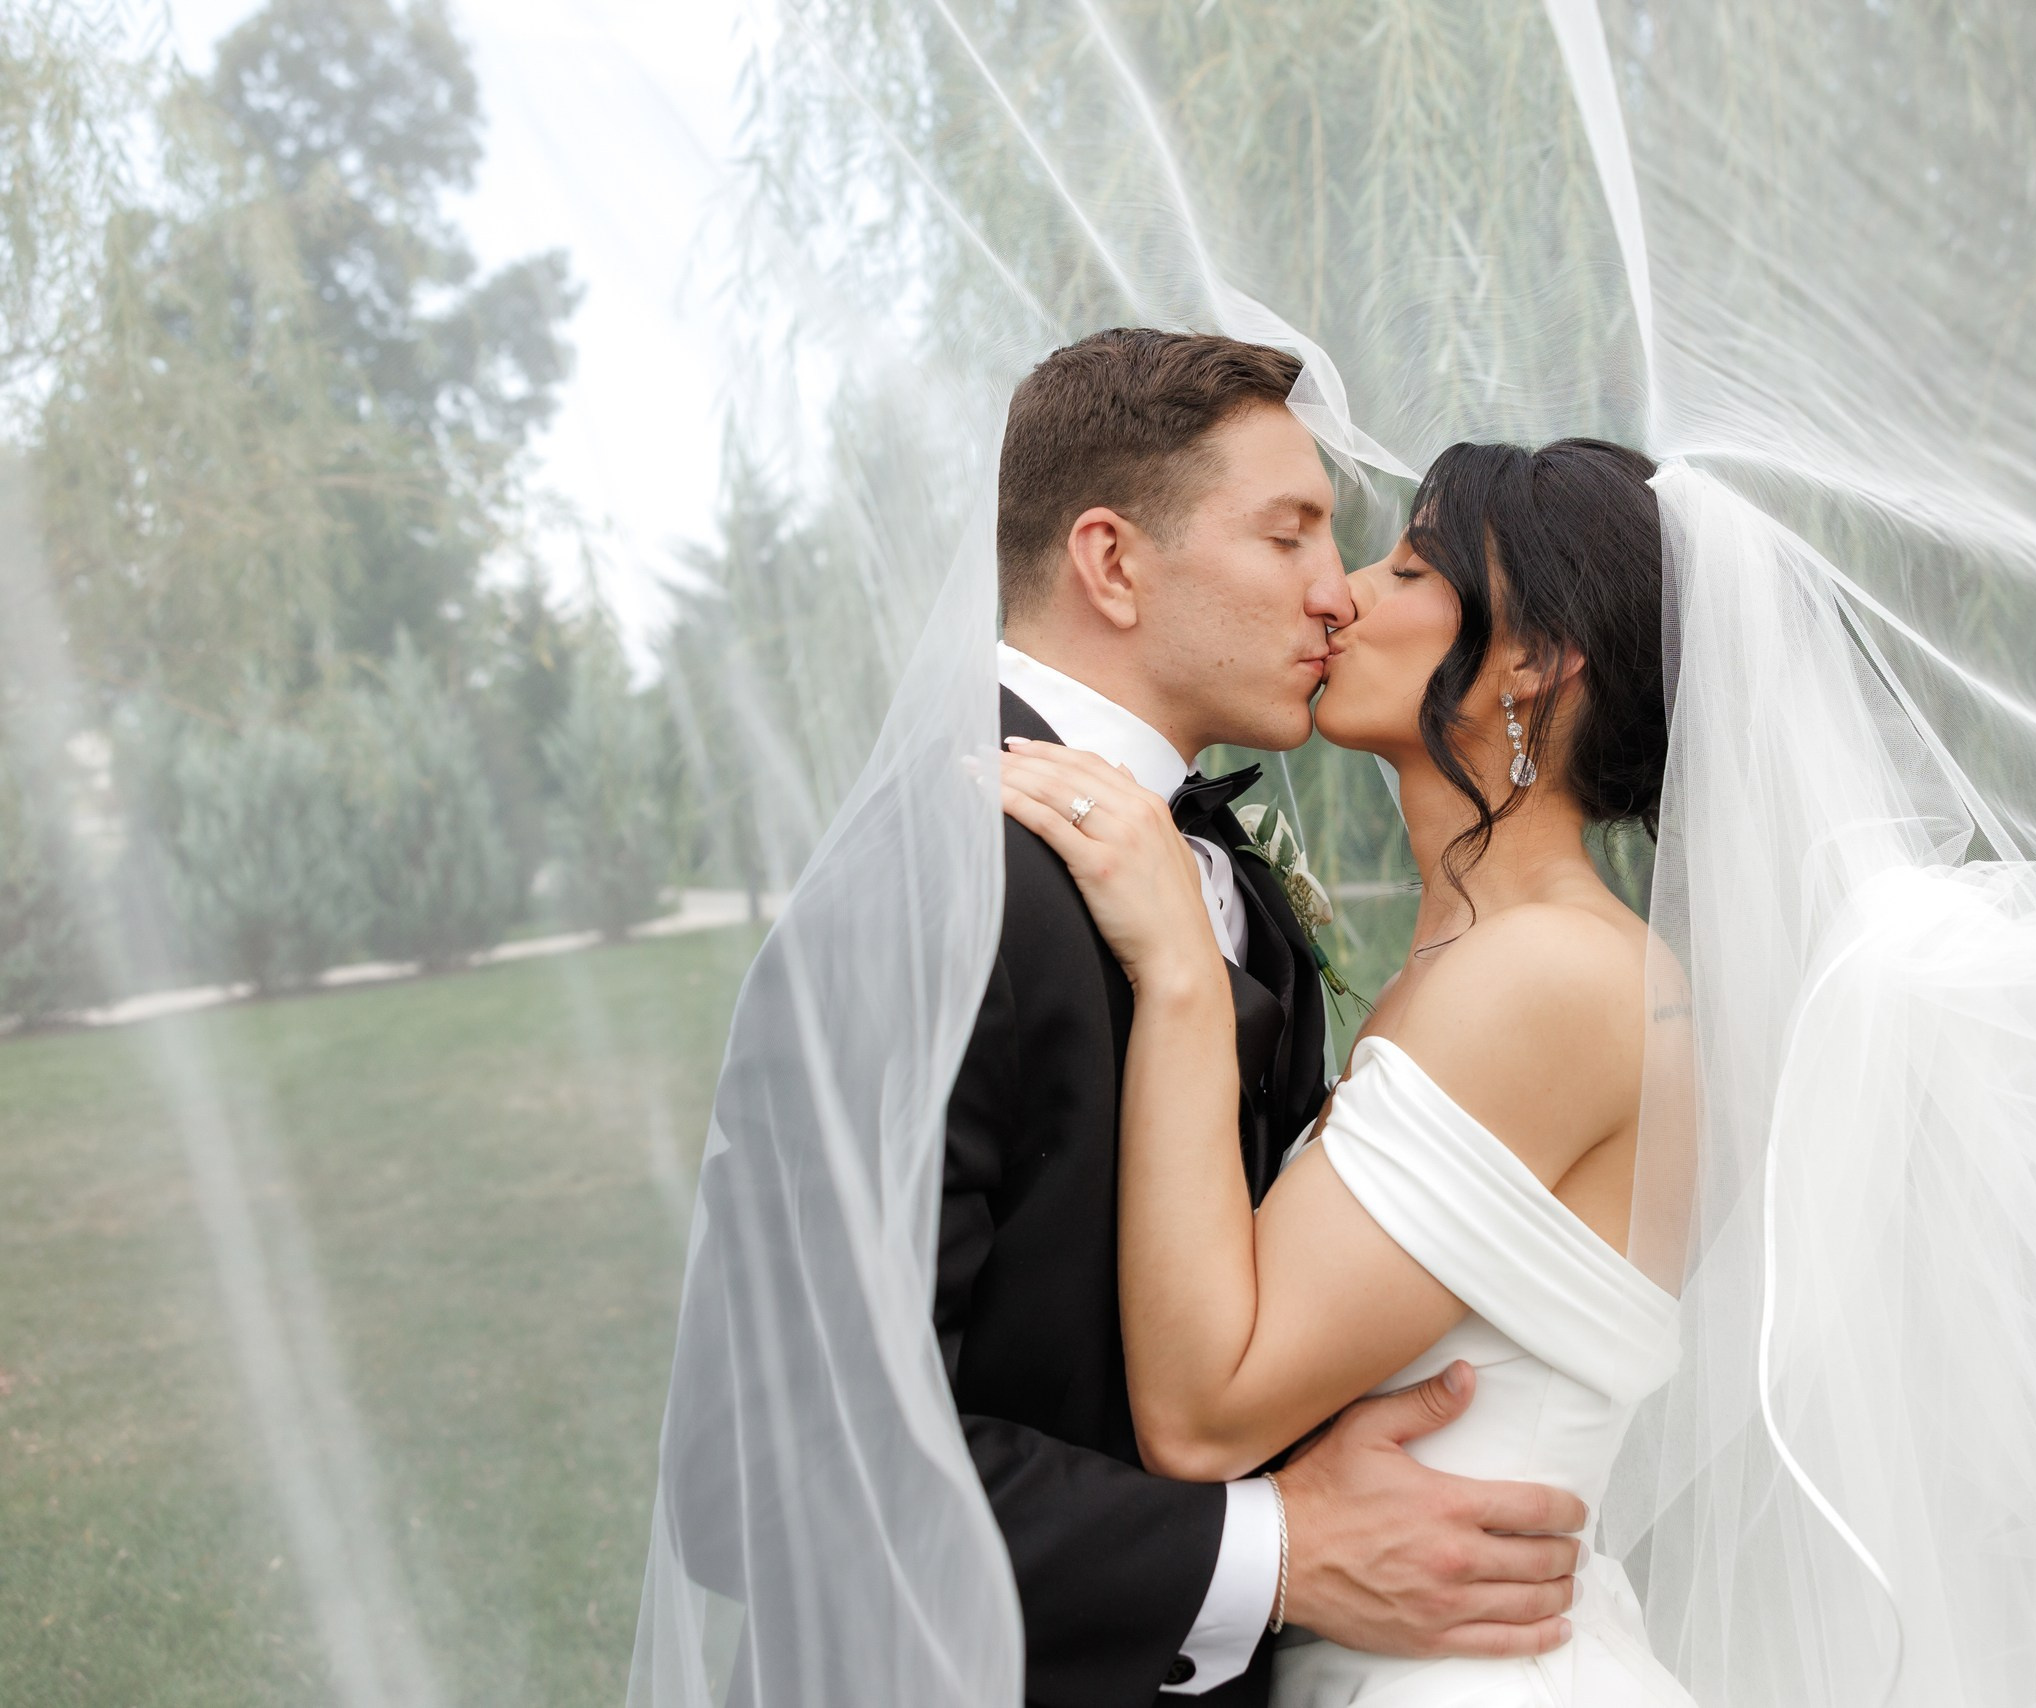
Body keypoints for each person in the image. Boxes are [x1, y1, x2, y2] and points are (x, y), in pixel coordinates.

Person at [650, 330, 1588, 1708]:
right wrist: (1277, 1552)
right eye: (1291, 537)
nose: (1340, 598)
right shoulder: (930, 888)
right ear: (1110, 561)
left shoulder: (1239, 894)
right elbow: (767, 1470)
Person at [1000, 436, 1698, 1707]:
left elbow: (1210, 1412)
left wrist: (1176, 975)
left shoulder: (1547, 979)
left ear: (1533, 663)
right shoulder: (1481, 958)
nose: (1343, 594)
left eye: (1409, 567)